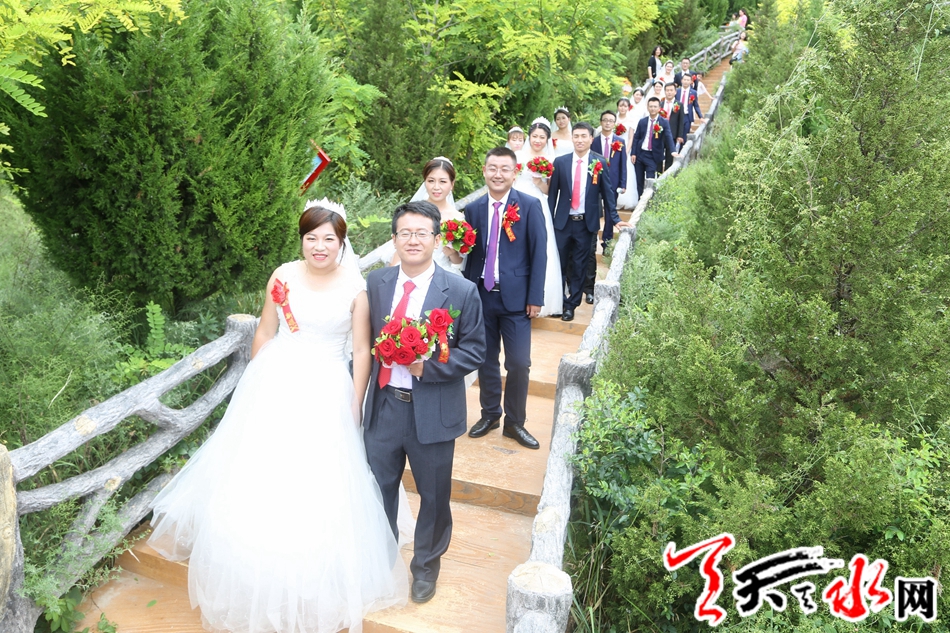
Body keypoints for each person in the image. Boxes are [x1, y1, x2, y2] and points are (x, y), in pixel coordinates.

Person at [148, 200, 408, 633]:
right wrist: (257, 383)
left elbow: (362, 350)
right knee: (262, 471)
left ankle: (309, 570)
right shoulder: (283, 275)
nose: (319, 246)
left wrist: (356, 400)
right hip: (276, 382)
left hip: (327, 387)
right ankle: (249, 565)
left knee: (316, 477)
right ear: (302, 240)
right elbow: (266, 332)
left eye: (328, 239)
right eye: (311, 238)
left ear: (342, 242)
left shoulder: (355, 288)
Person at [363, 201, 487, 605]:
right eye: (405, 233)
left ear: (436, 239)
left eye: (421, 233)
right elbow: (362, 343)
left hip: (432, 410)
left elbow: (475, 350)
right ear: (394, 239)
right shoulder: (377, 283)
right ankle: (379, 560)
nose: (413, 240)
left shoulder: (461, 291)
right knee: (378, 487)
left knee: (433, 495)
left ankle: (426, 567)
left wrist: (427, 366)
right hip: (384, 406)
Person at [464, 147, 547, 450]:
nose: (498, 174)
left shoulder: (530, 205)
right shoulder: (473, 209)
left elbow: (539, 253)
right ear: (484, 171)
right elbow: (469, 254)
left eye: (504, 169)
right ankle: (490, 414)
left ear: (514, 172)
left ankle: (515, 422)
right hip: (481, 296)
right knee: (486, 360)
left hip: (517, 299)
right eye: (492, 168)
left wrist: (535, 297)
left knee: (519, 363)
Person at [548, 123, 631, 321]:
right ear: (572, 138)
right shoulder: (560, 162)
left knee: (579, 266)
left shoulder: (599, 162)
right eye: (576, 136)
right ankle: (560, 301)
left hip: (586, 223)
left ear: (591, 139)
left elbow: (607, 193)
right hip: (562, 223)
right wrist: (548, 221)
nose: (579, 140)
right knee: (559, 264)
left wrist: (615, 218)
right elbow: (552, 196)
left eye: (583, 136)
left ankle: (571, 305)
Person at [514, 118, 564, 317]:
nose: (537, 140)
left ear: (547, 139)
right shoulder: (518, 156)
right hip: (516, 202)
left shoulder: (551, 160)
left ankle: (542, 298)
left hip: (538, 203)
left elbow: (550, 190)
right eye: (534, 136)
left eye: (542, 137)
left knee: (541, 246)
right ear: (529, 136)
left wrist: (538, 182)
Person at [386, 157, 466, 275]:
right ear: (425, 182)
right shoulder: (412, 211)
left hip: (442, 273)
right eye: (431, 181)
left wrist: (452, 253)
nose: (436, 187)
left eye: (442, 181)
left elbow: (458, 261)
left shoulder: (458, 219)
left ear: (452, 184)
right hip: (410, 269)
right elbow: (401, 244)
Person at [582, 112, 628, 303]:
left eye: (611, 121)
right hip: (594, 181)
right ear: (601, 123)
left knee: (610, 212)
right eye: (605, 120)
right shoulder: (594, 141)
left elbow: (623, 164)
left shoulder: (619, 141)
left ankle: (607, 240)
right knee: (596, 208)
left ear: (614, 123)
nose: (608, 123)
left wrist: (623, 182)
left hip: (613, 181)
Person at [632, 98, 677, 195]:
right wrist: (633, 153)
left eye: (655, 106)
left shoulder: (663, 122)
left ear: (659, 108)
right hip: (640, 153)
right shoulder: (642, 121)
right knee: (639, 180)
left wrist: (673, 151)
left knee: (650, 180)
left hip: (653, 155)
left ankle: (648, 200)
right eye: (651, 106)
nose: (653, 109)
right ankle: (639, 199)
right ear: (647, 107)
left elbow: (668, 136)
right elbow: (636, 138)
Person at [615, 98, 640, 210]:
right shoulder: (614, 119)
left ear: (628, 107)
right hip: (613, 149)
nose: (623, 108)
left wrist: (626, 151)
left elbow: (630, 138)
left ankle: (625, 200)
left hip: (625, 149)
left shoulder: (631, 120)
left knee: (626, 172)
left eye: (625, 106)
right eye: (621, 106)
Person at [661, 82, 687, 167]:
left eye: (671, 90)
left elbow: (681, 121)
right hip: (660, 134)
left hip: (673, 134)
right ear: (664, 91)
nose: (669, 92)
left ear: (675, 92)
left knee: (670, 156)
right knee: (659, 157)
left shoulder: (679, 104)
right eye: (667, 90)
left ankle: (668, 173)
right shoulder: (660, 104)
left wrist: (679, 135)